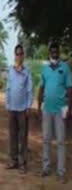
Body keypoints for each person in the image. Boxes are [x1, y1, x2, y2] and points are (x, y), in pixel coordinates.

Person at [38, 43, 72, 184]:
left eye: (56, 52)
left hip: (60, 110)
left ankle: (61, 172)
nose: (54, 54)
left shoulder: (64, 68)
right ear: (49, 54)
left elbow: (70, 89)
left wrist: (69, 108)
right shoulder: (45, 69)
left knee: (60, 142)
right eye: (52, 52)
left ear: (58, 53)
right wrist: (39, 106)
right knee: (46, 140)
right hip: (47, 110)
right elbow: (41, 88)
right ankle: (45, 168)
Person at [5, 45, 33, 174]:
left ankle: (22, 163)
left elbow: (29, 89)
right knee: (13, 136)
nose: (18, 56)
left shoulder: (26, 71)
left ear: (23, 56)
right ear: (14, 55)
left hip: (23, 109)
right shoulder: (10, 70)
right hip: (12, 108)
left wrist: (28, 106)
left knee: (23, 137)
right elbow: (8, 89)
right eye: (17, 54)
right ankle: (13, 161)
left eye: (21, 54)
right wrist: (7, 105)